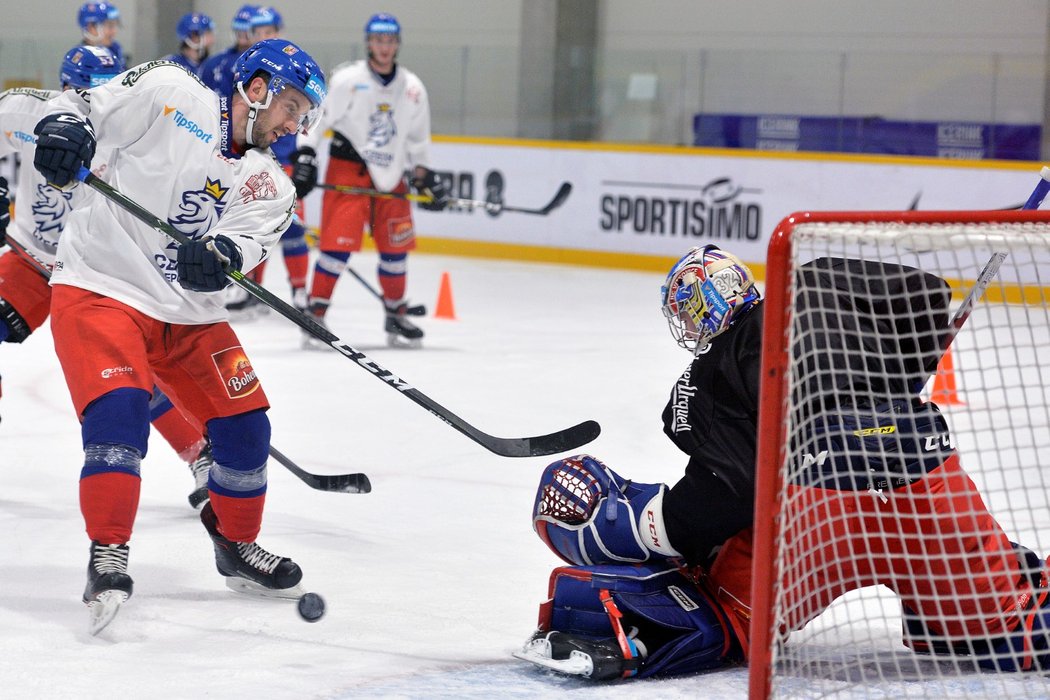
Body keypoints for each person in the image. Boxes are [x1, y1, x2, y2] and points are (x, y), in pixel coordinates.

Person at [515, 245, 1050, 680]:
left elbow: (732, 489)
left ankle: (629, 636)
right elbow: (929, 293)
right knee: (1006, 622)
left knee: (721, 611)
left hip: (814, 516)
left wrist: (655, 525)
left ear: (701, 310)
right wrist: (908, 355)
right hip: (925, 488)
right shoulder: (824, 293)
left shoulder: (704, 375)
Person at [31, 37, 326, 631]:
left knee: (247, 427)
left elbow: (245, 239)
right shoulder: (171, 92)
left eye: (304, 115)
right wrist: (65, 127)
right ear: (258, 88)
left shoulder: (274, 185)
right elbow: (84, 105)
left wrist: (223, 253)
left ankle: (236, 544)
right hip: (101, 286)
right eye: (292, 107)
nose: (295, 125)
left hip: (188, 315)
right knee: (121, 412)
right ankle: (108, 553)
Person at [0, 45, 215, 509]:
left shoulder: (132, 128)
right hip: (32, 260)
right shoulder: (27, 111)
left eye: (103, 89)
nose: (94, 99)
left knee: (134, 372)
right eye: (83, 90)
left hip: (100, 272)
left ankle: (201, 453)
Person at [291, 12, 450, 349]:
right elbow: (316, 120)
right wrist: (306, 156)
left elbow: (418, 140)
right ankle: (316, 314)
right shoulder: (348, 80)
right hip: (348, 173)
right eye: (378, 40)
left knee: (395, 250)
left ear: (397, 44)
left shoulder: (412, 88)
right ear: (369, 43)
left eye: (390, 40)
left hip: (392, 178)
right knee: (336, 250)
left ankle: (396, 313)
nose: (384, 47)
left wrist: (425, 176)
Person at [222, 5, 312, 319]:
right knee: (250, 225)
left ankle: (301, 292)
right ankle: (246, 288)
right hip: (244, 157)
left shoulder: (292, 69)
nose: (265, 36)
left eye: (270, 31)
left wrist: (305, 156)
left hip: (281, 162)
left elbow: (307, 122)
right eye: (260, 32)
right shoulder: (227, 65)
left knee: (292, 229)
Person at [199, 4, 257, 93]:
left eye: (247, 29)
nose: (242, 33)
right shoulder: (215, 62)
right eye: (239, 27)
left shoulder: (268, 61)